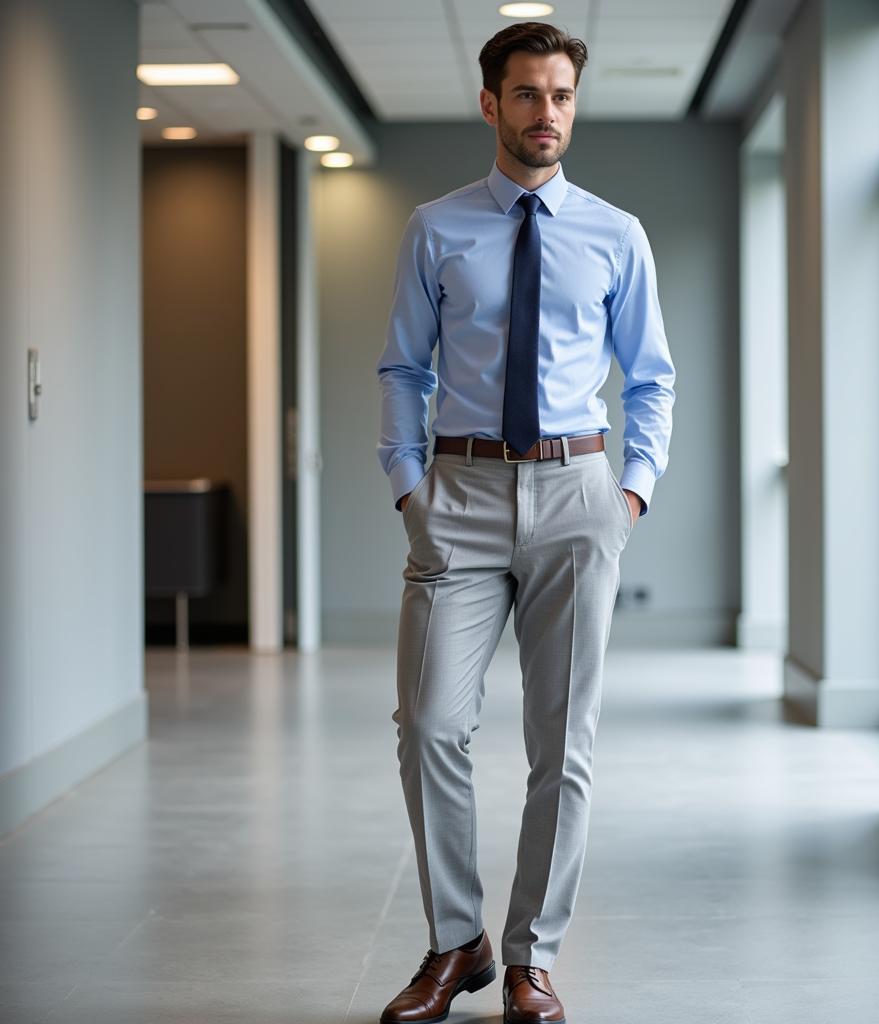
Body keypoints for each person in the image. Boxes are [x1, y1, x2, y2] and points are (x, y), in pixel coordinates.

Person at [374, 20, 675, 1024]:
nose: (547, 114)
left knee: (563, 742)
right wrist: (409, 489)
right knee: (428, 725)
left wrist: (629, 491)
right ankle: (454, 941)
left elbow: (652, 378)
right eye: (527, 94)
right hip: (457, 497)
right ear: (490, 103)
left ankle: (530, 956)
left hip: (576, 492)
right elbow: (404, 369)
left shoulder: (614, 233)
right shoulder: (436, 226)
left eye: (561, 96)